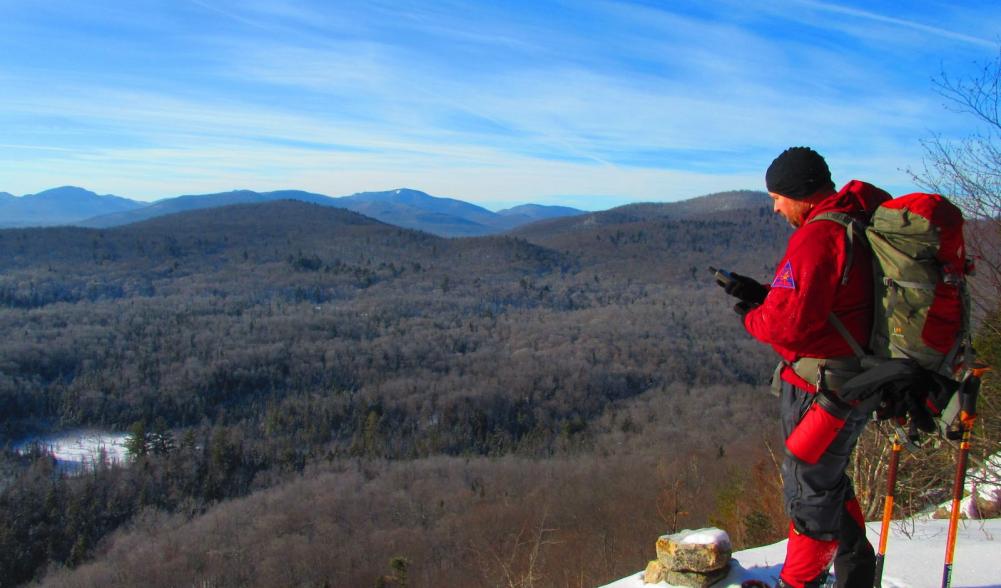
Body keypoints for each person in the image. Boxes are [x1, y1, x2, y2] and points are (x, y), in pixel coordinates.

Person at [719, 147, 891, 588]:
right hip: (857, 377)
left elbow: (788, 326)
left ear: (800, 193)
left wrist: (753, 315)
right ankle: (855, 574)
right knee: (827, 479)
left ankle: (800, 583)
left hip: (822, 387)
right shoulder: (859, 222)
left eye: (778, 197)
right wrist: (765, 293)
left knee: (808, 487)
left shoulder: (818, 236)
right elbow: (833, 302)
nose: (775, 207)